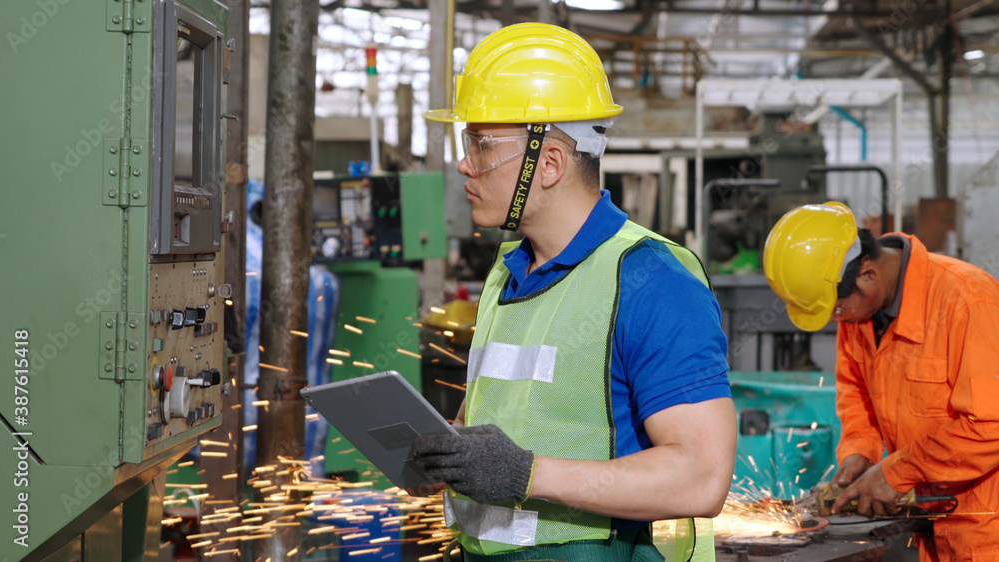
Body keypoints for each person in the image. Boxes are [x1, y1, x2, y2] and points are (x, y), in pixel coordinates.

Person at [410, 22, 736, 561]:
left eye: (482, 144)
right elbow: (508, 418)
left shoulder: (650, 280)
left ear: (551, 163)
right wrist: (449, 453)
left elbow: (702, 477)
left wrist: (527, 474)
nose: (465, 164)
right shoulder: (505, 272)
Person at [763, 202, 999, 561]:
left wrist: (895, 473)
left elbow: (990, 424)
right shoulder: (859, 314)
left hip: (986, 529)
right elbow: (856, 391)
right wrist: (859, 453)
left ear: (867, 274)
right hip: (933, 523)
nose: (835, 319)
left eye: (836, 308)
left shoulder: (966, 300)